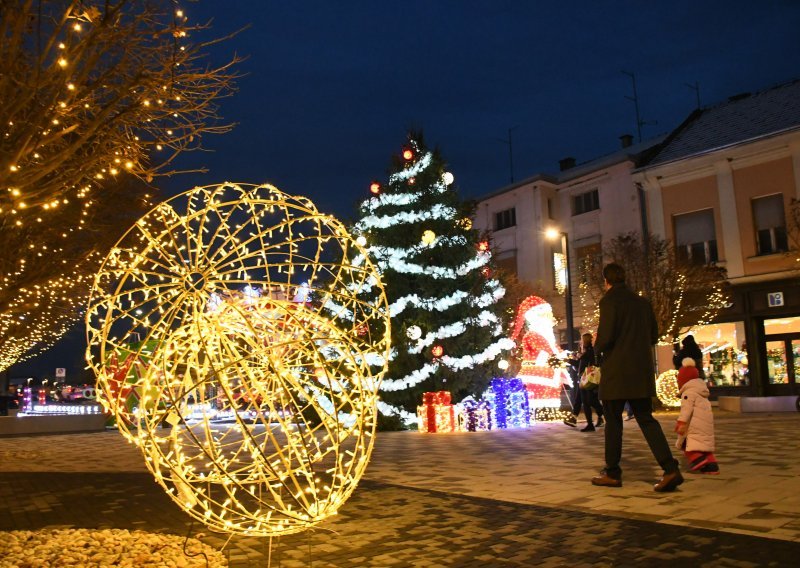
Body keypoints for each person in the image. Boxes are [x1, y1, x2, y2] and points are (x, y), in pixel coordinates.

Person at [591, 262, 683, 492]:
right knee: (646, 419)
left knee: (613, 421)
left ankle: (612, 473)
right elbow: (653, 334)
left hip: (616, 373)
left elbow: (605, 337)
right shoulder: (643, 303)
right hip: (640, 373)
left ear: (607, 281)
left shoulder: (609, 301)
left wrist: (597, 347)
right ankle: (670, 468)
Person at [675, 358, 720, 474]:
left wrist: (681, 422)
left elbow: (686, 410)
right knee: (704, 447)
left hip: (693, 426)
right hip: (705, 426)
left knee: (686, 444)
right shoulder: (701, 392)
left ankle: (697, 459)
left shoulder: (688, 393)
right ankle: (712, 466)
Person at [563, 333, 604, 431]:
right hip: (584, 379)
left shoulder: (589, 351)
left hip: (586, 379)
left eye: (582, 340)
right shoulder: (588, 351)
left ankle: (593, 421)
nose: (581, 342)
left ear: (585, 340)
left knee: (587, 402)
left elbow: (580, 364)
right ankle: (580, 420)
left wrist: (567, 360)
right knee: (584, 401)